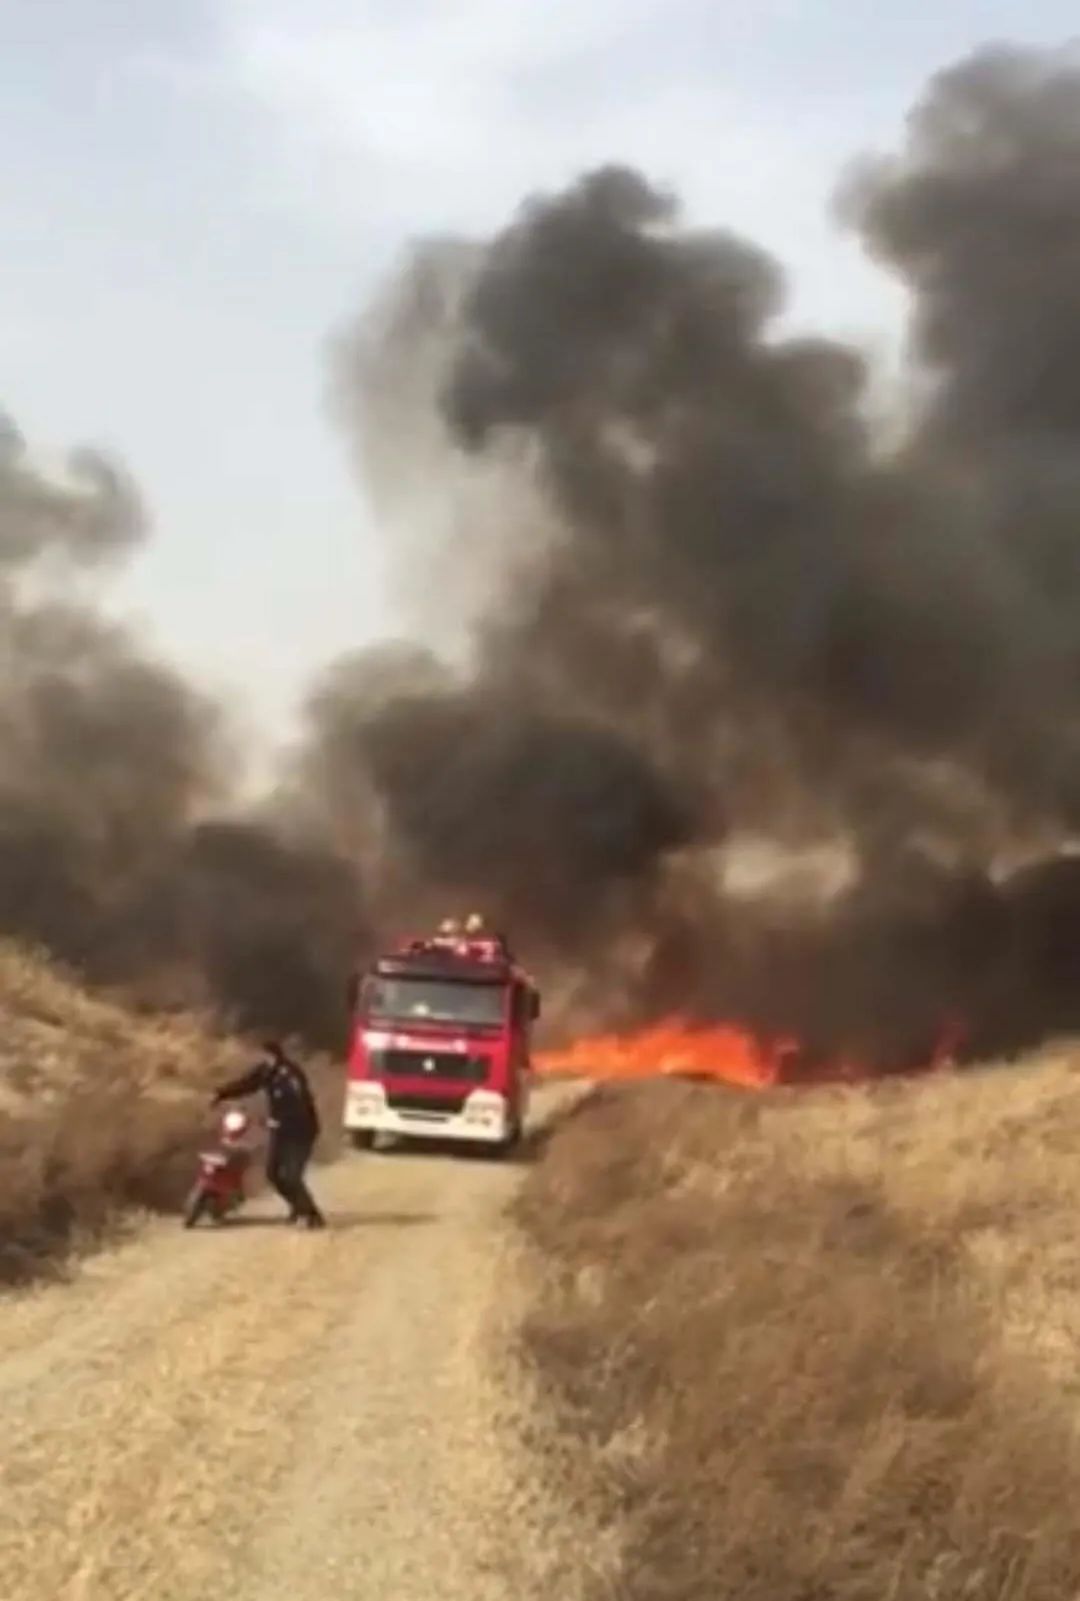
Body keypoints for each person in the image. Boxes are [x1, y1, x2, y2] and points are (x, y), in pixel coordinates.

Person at [212, 1041, 326, 1228]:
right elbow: (247, 1084)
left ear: (272, 1055)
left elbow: (301, 1103)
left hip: (300, 1131)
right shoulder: (267, 1071)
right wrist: (222, 1093)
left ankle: (312, 1214)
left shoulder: (291, 1075)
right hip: (280, 1129)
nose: (259, 1060)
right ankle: (297, 1207)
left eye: (262, 1056)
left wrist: (281, 1120)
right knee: (273, 1173)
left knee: (291, 1175)